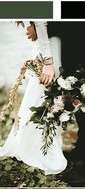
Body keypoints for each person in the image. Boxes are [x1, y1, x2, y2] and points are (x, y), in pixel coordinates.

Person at [28, 22, 85, 182]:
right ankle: (83, 149)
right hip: (73, 51)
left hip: (83, 50)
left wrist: (44, 28)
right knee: (78, 104)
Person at [0, 21, 67, 175]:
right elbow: (41, 22)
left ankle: (42, 142)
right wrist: (48, 62)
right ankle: (36, 146)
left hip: (48, 44)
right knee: (42, 94)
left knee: (44, 96)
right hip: (47, 48)